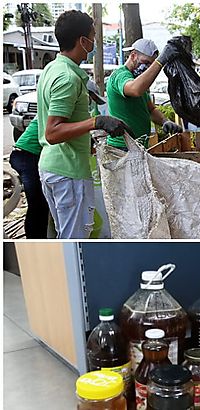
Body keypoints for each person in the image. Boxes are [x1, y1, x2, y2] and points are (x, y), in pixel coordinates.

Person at [37, 10, 135, 239]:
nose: (96, 42)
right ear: (83, 41)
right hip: (67, 171)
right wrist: (96, 122)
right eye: (93, 36)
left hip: (54, 166)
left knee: (66, 237)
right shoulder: (67, 78)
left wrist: (88, 138)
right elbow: (52, 132)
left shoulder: (53, 69)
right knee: (74, 241)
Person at [10, 80, 106, 238]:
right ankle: (36, 241)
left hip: (34, 156)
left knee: (43, 205)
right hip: (27, 155)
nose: (89, 103)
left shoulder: (72, 111)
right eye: (89, 98)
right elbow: (70, 136)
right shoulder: (65, 110)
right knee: (38, 204)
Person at [106, 38, 182, 149]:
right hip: (122, 147)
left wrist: (165, 121)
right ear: (133, 56)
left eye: (151, 65)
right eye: (145, 62)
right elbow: (135, 90)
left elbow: (150, 110)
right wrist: (159, 62)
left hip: (138, 146)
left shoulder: (137, 80)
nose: (147, 68)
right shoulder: (120, 75)